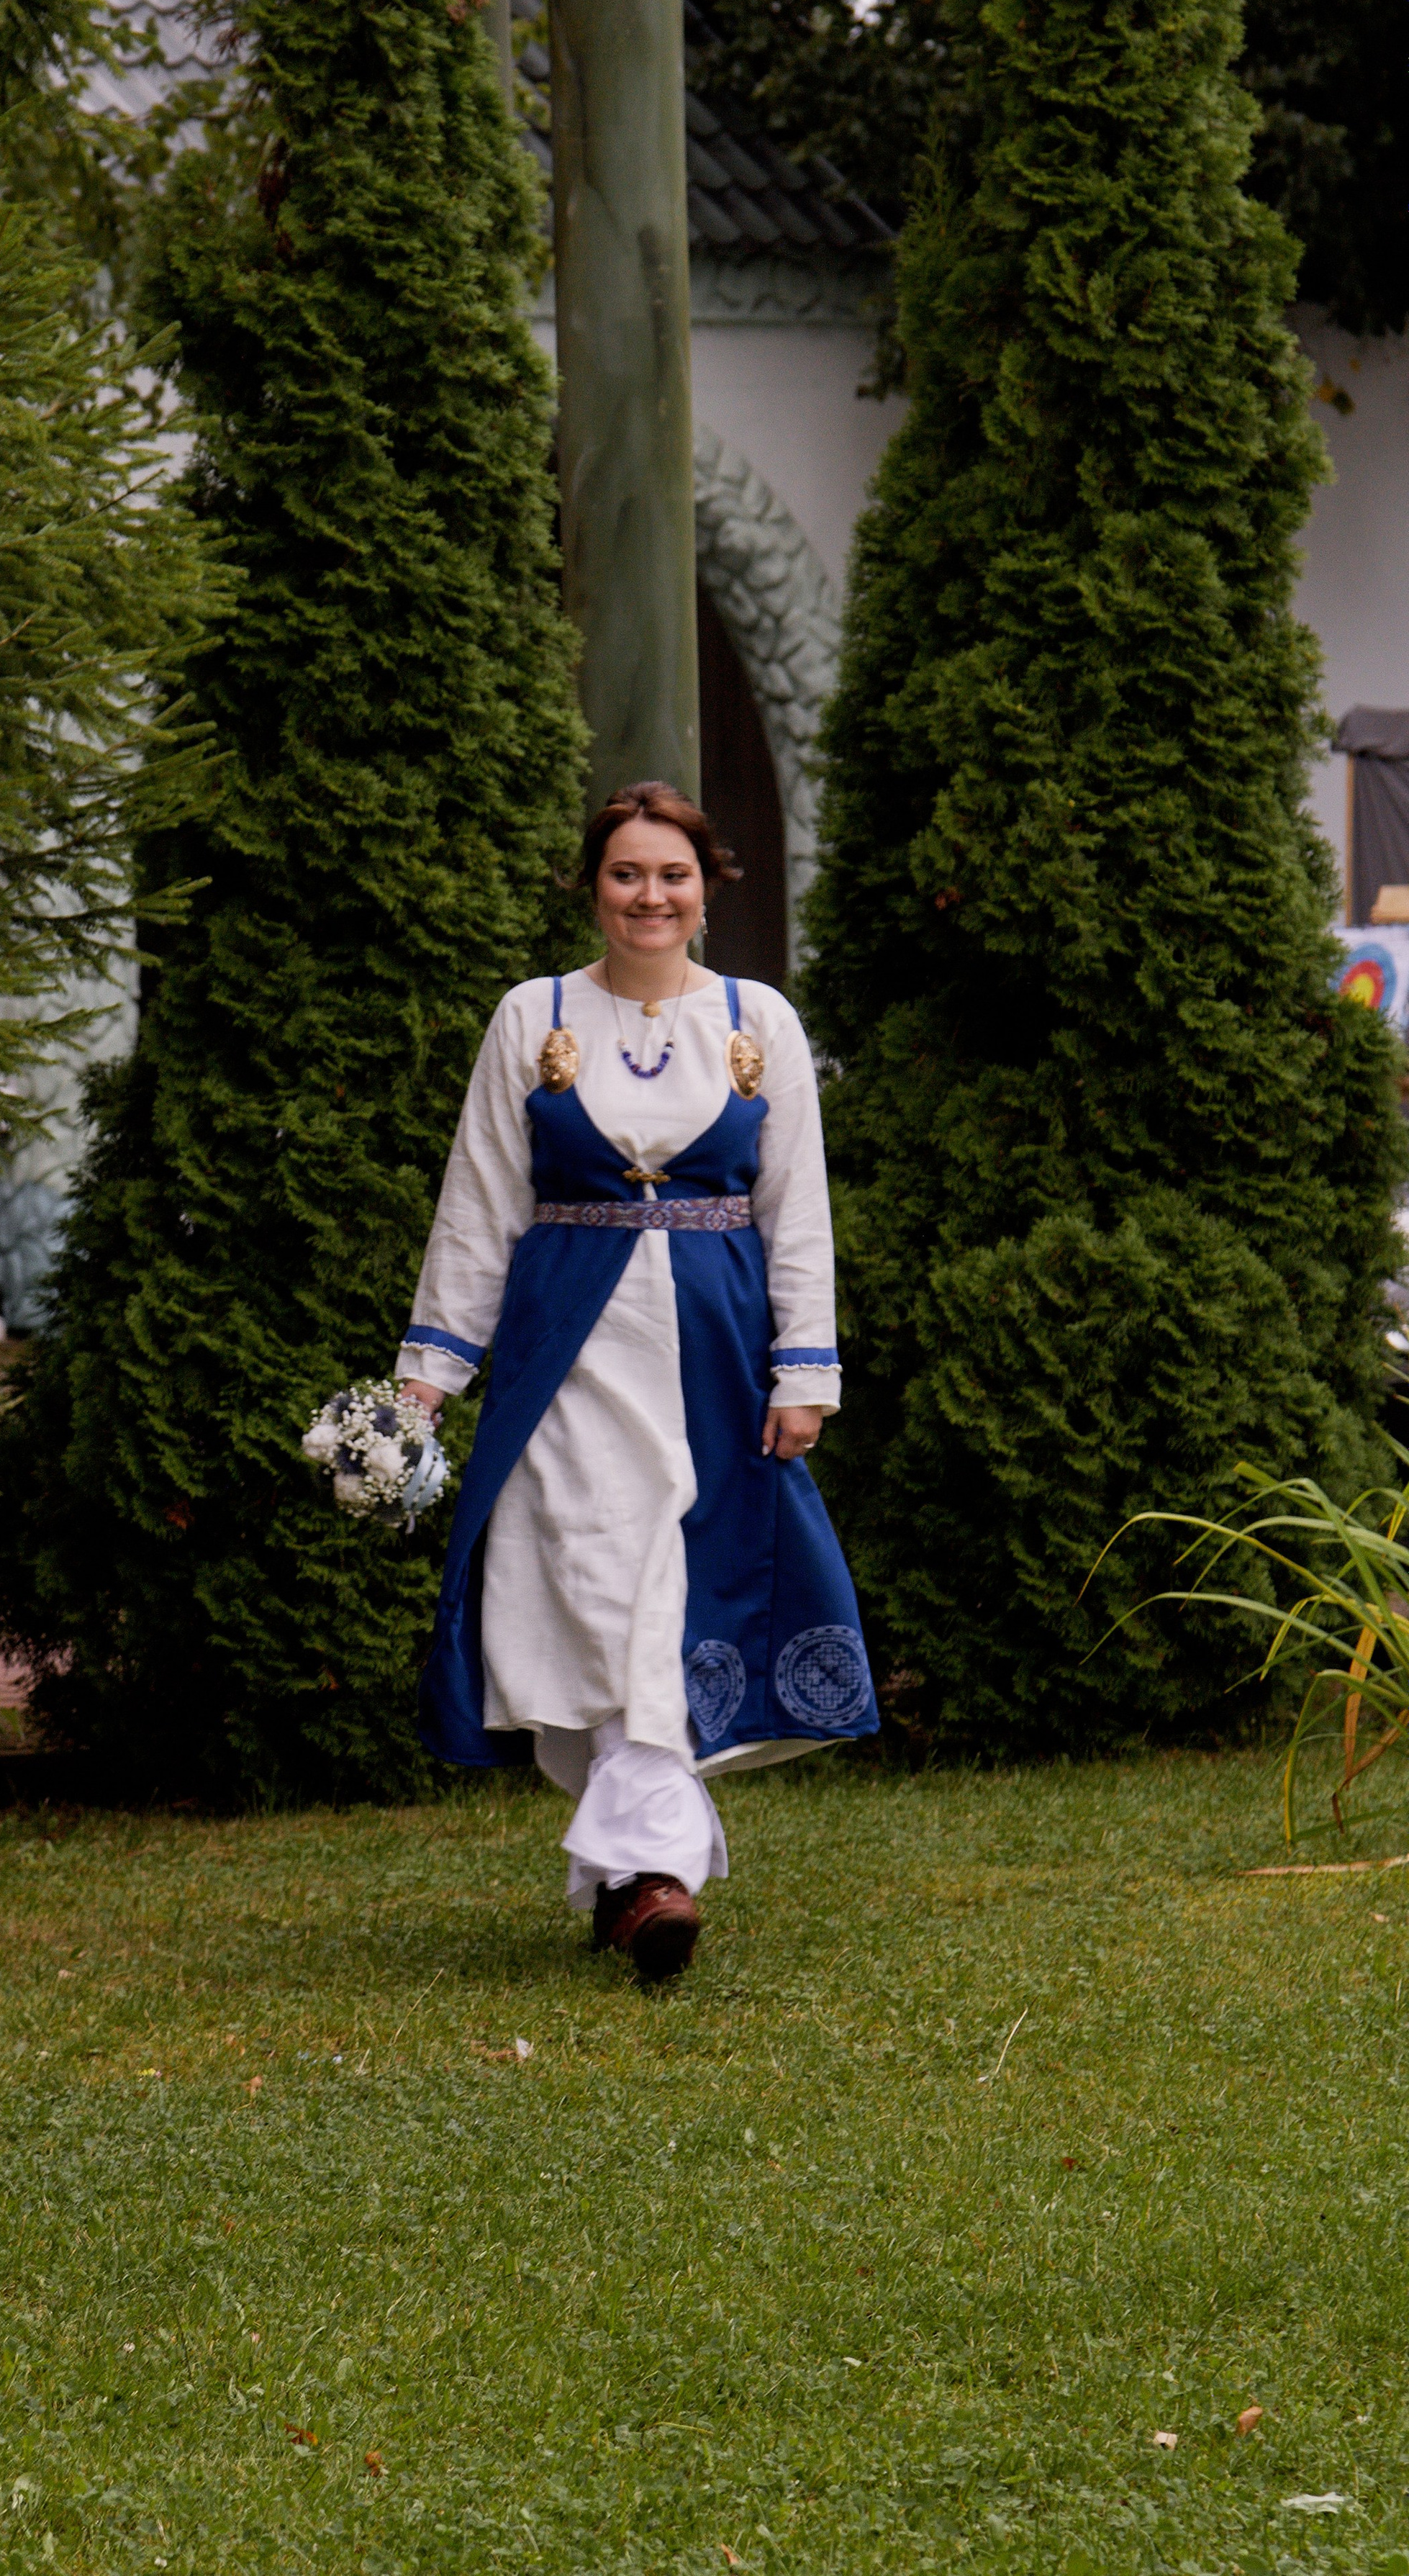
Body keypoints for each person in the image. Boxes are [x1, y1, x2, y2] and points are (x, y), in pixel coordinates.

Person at [396, 779, 876, 1982]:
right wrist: (429, 1376)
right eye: (626, 873)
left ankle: (640, 1876)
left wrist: (803, 1364)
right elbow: (480, 1201)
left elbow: (796, 1207)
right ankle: (642, 1871)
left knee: (671, 1587)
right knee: (596, 1582)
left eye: (672, 874)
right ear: (592, 888)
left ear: (707, 889)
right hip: (567, 1345)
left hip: (714, 1353)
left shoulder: (757, 1020)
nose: (649, 895)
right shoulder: (533, 1015)